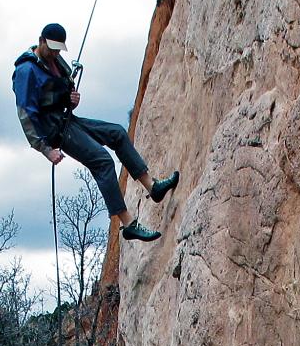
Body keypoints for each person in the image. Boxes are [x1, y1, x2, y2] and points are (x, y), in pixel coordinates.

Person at [12, 22, 179, 243]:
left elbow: (58, 94)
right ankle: (128, 224)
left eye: (58, 49)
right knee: (102, 161)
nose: (54, 53)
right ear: (41, 41)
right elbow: (26, 115)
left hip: (67, 120)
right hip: (56, 132)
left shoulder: (54, 62)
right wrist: (46, 150)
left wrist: (71, 99)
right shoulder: (26, 71)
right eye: (51, 48)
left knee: (117, 133)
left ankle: (153, 187)